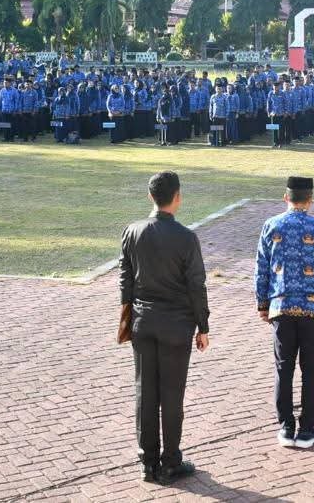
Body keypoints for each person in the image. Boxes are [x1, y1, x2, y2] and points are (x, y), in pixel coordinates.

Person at [118, 171, 209, 485]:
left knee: (145, 391)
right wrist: (203, 326)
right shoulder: (186, 237)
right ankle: (171, 460)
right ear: (178, 197)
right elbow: (197, 286)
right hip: (176, 325)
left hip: (143, 322)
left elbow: (125, 278)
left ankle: (148, 461)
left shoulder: (133, 231)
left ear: (150, 197)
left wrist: (126, 316)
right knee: (172, 395)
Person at [255, 176, 314, 450]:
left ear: (286, 198)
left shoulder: (272, 225)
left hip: (281, 307)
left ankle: (286, 426)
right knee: (311, 368)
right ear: (310, 200)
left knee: (284, 367)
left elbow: (262, 268)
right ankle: (306, 429)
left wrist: (262, 304)